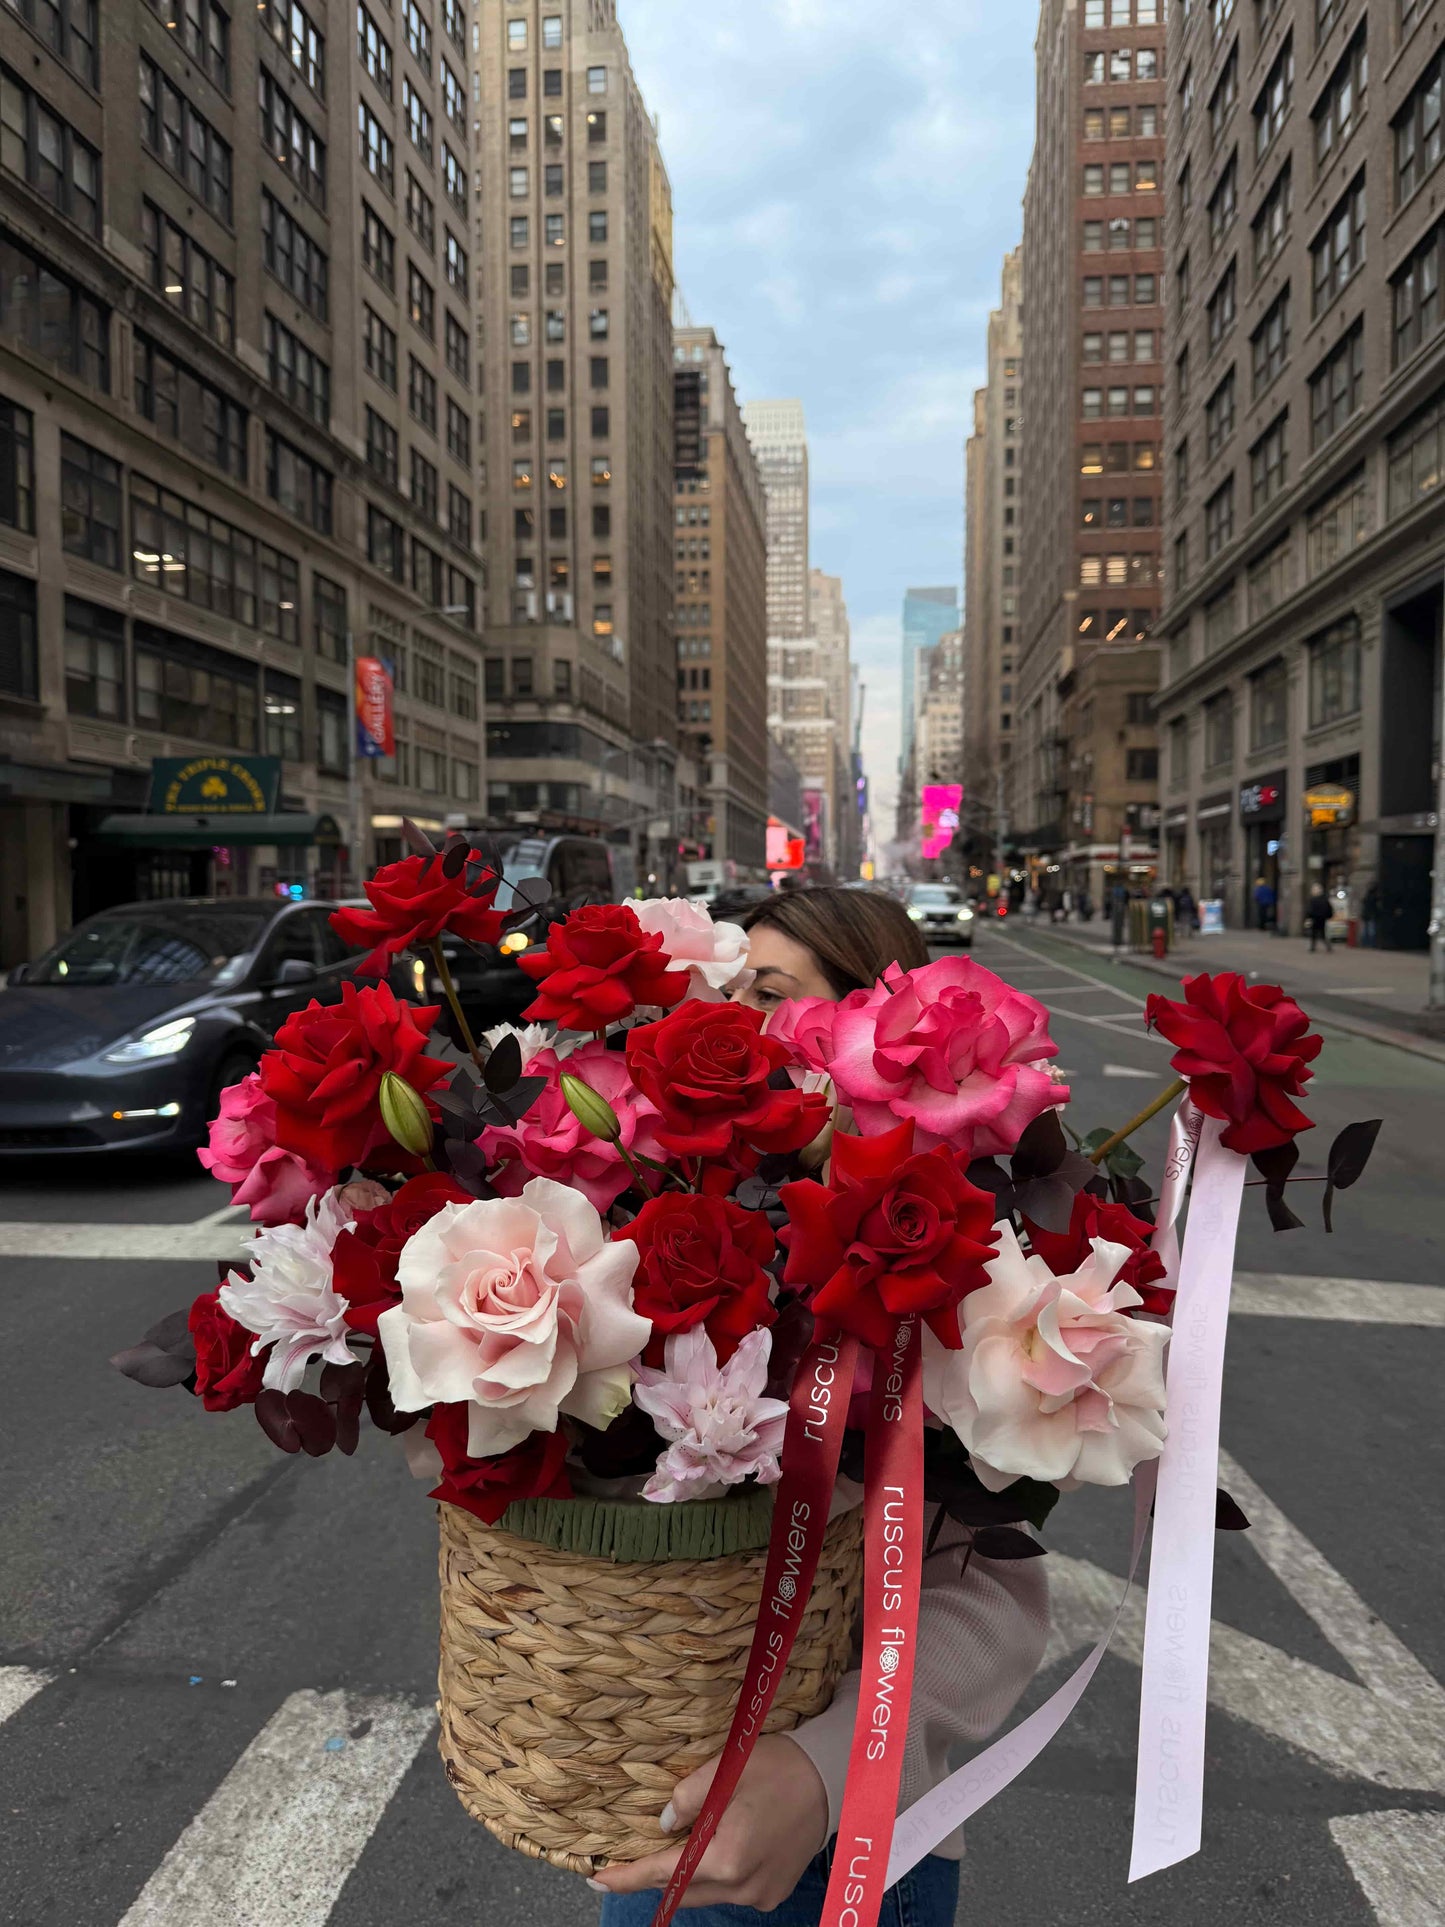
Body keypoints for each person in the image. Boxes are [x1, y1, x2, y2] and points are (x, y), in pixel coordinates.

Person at [593, 887, 1050, 1927]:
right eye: (724, 989)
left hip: (851, 1843)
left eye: (770, 992)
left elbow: (992, 1590)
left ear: (866, 1032)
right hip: (662, 1811)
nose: (735, 1017)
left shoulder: (950, 1270)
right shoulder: (643, 1221)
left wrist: (823, 1765)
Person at [1307, 886, 1332, 953]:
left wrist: (1309, 917)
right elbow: (1329, 909)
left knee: (1314, 933)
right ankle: (1328, 947)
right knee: (1322, 934)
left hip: (1315, 918)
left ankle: (1313, 947)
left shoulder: (1313, 900)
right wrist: (1328, 916)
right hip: (1322, 919)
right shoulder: (1325, 899)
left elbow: (1310, 910)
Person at [1362, 880, 1380, 948]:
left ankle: (1365, 943)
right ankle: (1372, 944)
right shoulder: (1373, 897)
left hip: (1366, 915)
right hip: (1370, 915)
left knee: (1366, 930)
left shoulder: (1367, 896)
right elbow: (1374, 907)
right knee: (1371, 930)